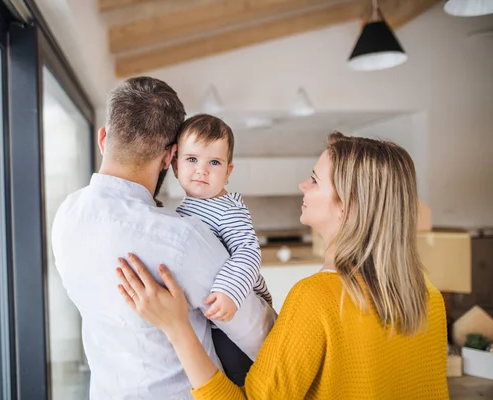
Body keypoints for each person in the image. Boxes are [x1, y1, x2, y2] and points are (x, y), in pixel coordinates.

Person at [116, 132, 449, 399]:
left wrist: (177, 328)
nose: (303, 186)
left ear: (348, 207)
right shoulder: (429, 298)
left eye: (315, 180)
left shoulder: (316, 299)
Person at [51, 76, 277, 400]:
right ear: (170, 158)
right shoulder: (182, 238)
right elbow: (259, 333)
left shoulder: (67, 216)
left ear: (103, 139)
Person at [171, 114, 272, 385]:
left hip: (232, 321)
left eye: (214, 162)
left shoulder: (227, 210)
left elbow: (248, 252)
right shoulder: (188, 207)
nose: (202, 170)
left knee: (236, 381)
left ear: (228, 172)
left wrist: (229, 292)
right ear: (174, 164)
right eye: (192, 159)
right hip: (212, 320)